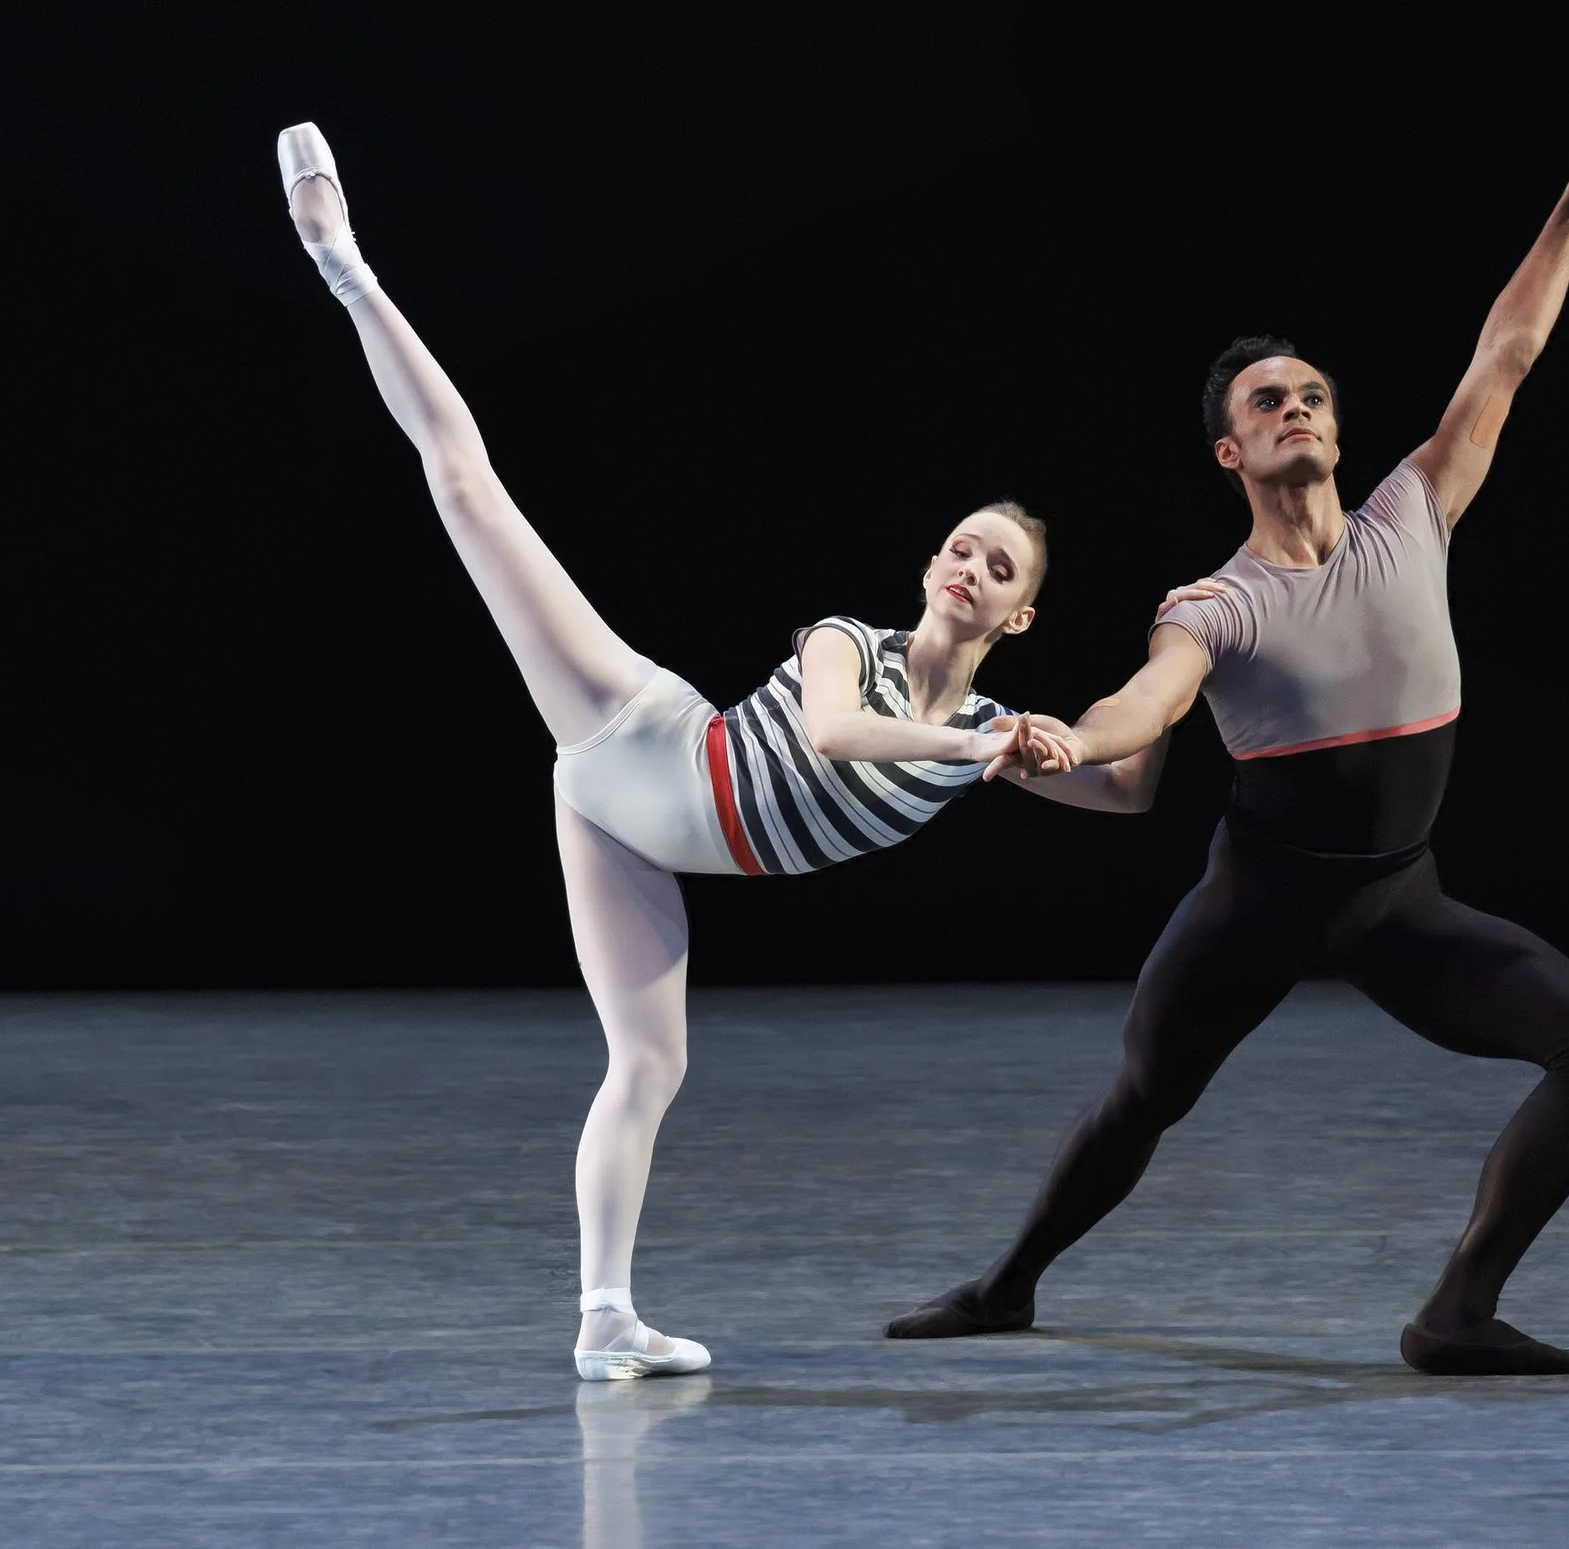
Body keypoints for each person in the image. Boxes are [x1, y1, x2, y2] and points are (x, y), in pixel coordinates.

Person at [274, 123, 1147, 1380]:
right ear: (929, 565)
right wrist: (989, 749)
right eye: (960, 546)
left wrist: (1186, 668)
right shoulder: (859, 649)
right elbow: (834, 735)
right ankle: (344, 261)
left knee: (648, 1064)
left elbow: (1127, 792)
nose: (970, 565)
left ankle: (603, 1321)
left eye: (998, 566)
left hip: (631, 836)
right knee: (466, 488)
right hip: (641, 739)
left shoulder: (978, 737)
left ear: (1019, 616)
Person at [889, 123, 1569, 1375]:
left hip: (1397, 905)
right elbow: (1145, 707)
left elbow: (1508, 351)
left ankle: (1454, 1315)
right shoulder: (1217, 604)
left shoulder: (1413, 512)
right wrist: (1063, 741)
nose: (1297, 409)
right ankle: (1007, 1288)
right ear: (1231, 451)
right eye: (1267, 401)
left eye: (1312, 394)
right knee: (1144, 1099)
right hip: (1255, 910)